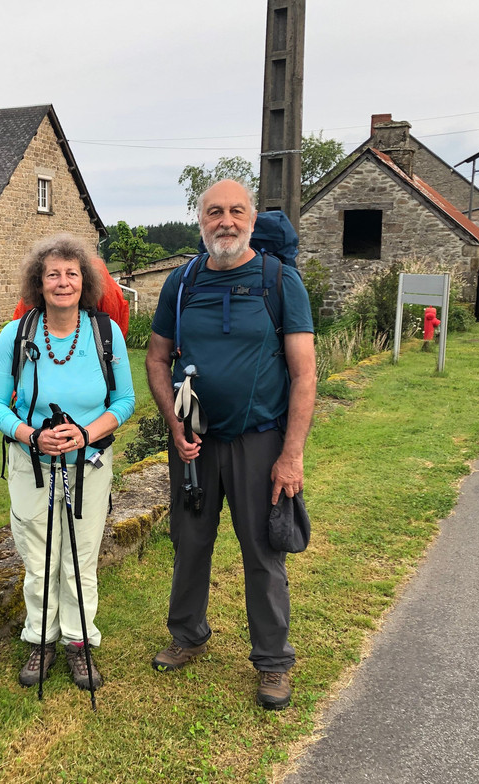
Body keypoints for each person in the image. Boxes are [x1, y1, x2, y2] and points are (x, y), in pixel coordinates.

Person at [144, 180, 316, 710]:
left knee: (262, 550)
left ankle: (272, 661)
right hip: (194, 441)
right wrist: (173, 424)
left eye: (236, 211)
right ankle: (188, 634)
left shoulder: (279, 281)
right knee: (190, 540)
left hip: (259, 440)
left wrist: (291, 454)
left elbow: (304, 375)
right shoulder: (183, 281)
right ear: (201, 221)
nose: (226, 221)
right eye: (214, 212)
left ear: (250, 219)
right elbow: (156, 359)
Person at [0, 233, 135, 691]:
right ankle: (40, 639)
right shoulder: (17, 334)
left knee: (80, 559)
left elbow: (125, 401)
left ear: (84, 281)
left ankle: (79, 643)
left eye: (72, 273)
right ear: (39, 281)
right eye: (53, 274)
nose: (63, 282)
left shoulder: (105, 333)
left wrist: (86, 433)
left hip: (88, 464)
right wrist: (32, 435)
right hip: (32, 465)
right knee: (40, 557)